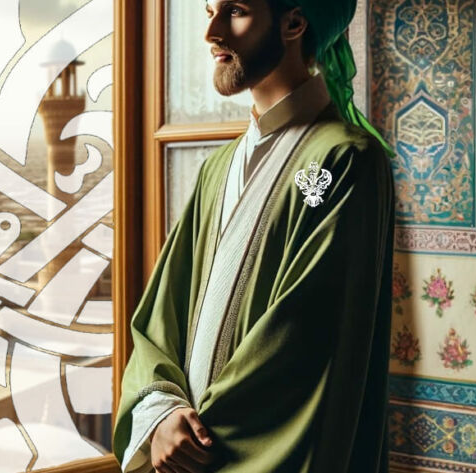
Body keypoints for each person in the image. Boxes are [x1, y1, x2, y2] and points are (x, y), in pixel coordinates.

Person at [112, 0, 396, 472]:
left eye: (236, 10)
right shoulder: (216, 170)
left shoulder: (346, 160)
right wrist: (162, 417)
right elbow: (160, 320)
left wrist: (197, 440)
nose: (211, 33)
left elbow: (308, 340)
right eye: (209, 10)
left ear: (294, 22)